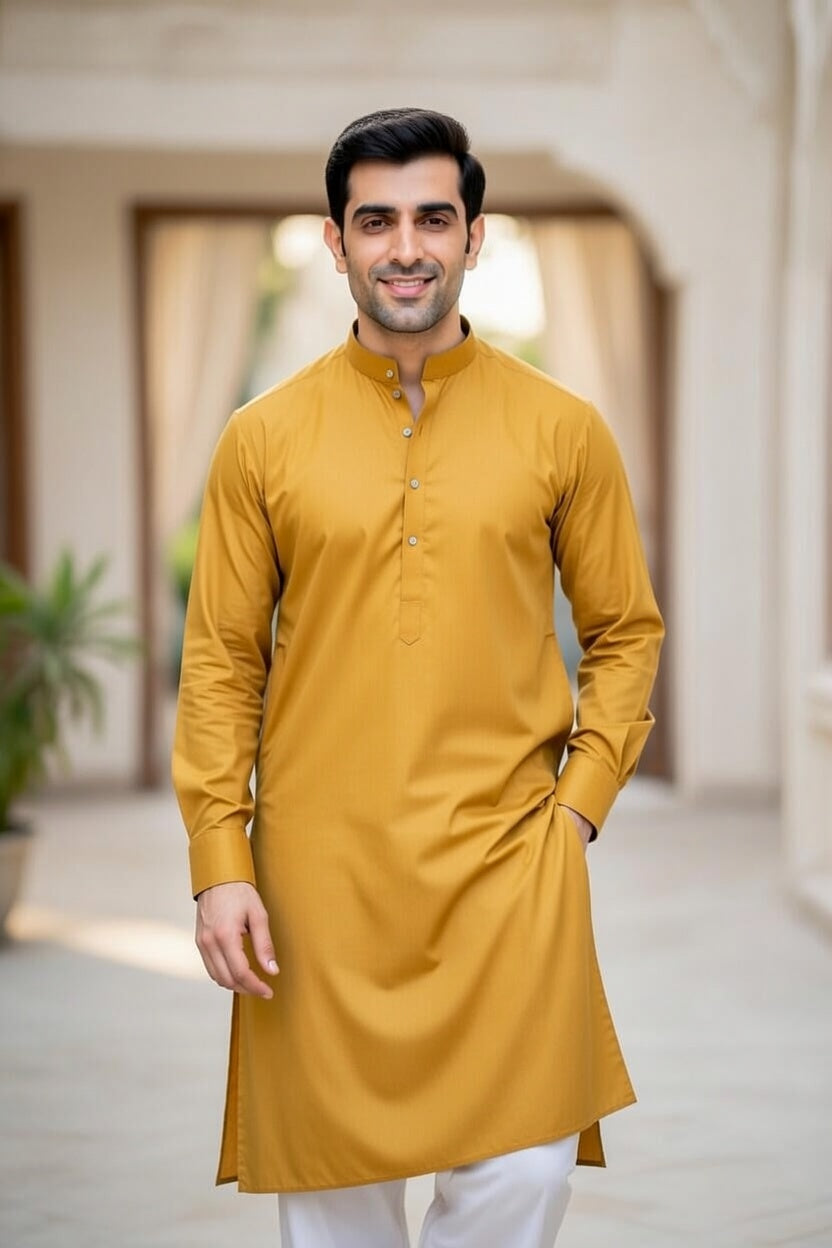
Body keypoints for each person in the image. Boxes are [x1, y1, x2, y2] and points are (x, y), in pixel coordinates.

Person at [172, 107, 664, 1248]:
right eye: (376, 220)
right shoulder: (262, 438)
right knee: (335, 1203)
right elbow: (221, 663)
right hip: (318, 880)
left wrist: (578, 809)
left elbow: (625, 631)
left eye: (432, 218)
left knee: (524, 1173)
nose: (406, 246)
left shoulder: (562, 429)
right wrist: (218, 861)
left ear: (474, 237)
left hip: (511, 866)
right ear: (336, 242)